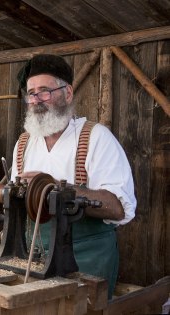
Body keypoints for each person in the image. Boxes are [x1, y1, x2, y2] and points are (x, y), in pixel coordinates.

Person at [11, 54, 137, 299]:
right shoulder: (24, 143)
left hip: (85, 259)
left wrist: (56, 187)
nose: (36, 100)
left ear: (67, 93)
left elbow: (118, 208)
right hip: (33, 257)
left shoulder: (96, 137)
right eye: (31, 93)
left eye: (45, 91)